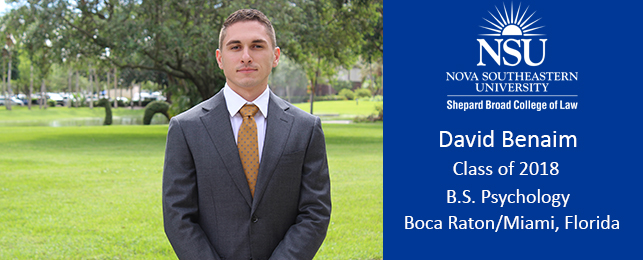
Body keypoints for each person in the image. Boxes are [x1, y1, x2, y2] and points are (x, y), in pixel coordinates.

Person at [162, 9, 331, 260]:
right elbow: (178, 216)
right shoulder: (186, 128)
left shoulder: (305, 128)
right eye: (235, 47)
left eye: (257, 45)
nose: (246, 56)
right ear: (220, 58)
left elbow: (315, 212)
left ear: (275, 56)